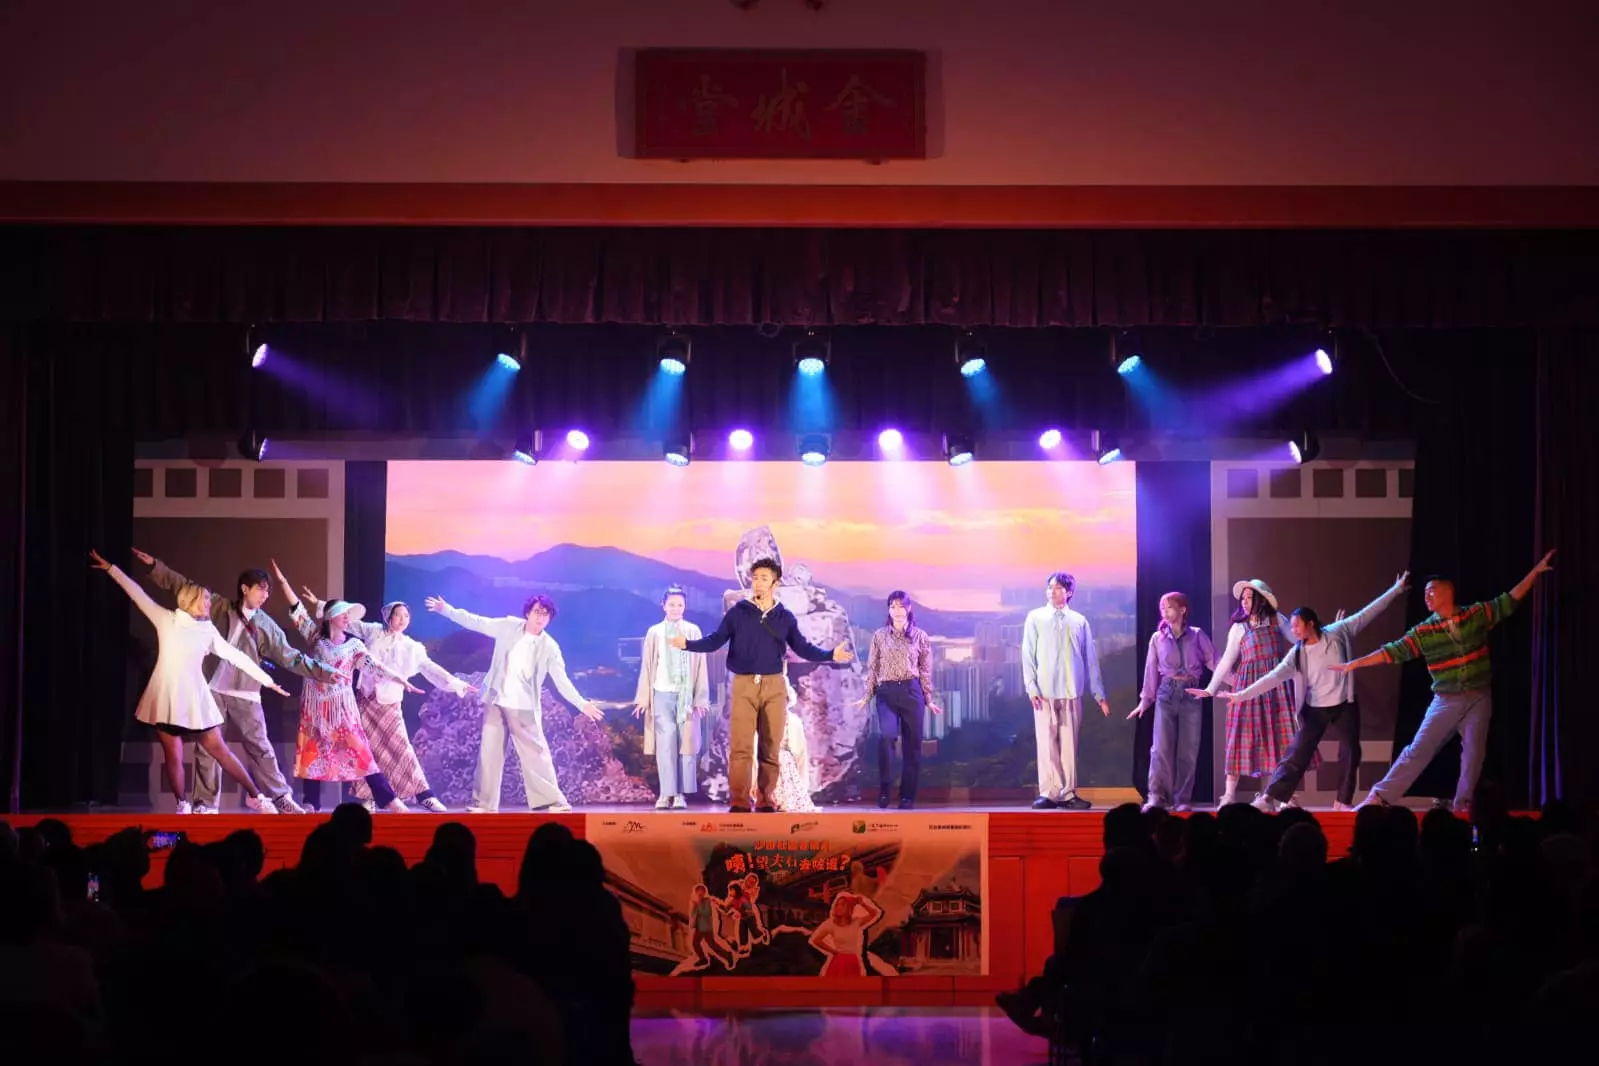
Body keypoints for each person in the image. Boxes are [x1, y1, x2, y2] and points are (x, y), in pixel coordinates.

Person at [1337, 551, 1555, 811]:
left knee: (1474, 755)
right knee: (1418, 749)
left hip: (1479, 696)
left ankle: (1463, 805)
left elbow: (1507, 601)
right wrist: (1355, 663)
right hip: (1446, 699)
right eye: (1425, 593)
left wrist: (1534, 573)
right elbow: (1392, 651)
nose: (1427, 596)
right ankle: (1379, 798)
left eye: (1431, 591)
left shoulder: (1475, 614)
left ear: (1448, 591)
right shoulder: (1424, 631)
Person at [131, 548, 342, 814]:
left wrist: (325, 671)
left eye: (268, 591)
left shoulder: (266, 625)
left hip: (246, 693)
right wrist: (155, 567)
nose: (265, 595)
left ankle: (280, 797)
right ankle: (205, 804)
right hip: (212, 690)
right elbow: (184, 586)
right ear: (245, 589)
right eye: (261, 589)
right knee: (207, 750)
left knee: (260, 747)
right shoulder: (220, 607)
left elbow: (291, 656)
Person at [91, 550, 289, 814]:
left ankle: (257, 797)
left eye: (208, 599)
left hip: (195, 699)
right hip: (166, 697)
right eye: (204, 599)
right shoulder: (166, 620)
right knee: (173, 756)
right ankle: (182, 805)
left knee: (220, 751)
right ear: (190, 600)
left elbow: (237, 657)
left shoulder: (208, 631)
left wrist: (267, 680)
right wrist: (111, 569)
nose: (208, 603)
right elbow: (136, 593)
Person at [673, 556, 852, 814]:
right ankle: (739, 800)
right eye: (755, 578)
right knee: (741, 747)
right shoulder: (738, 613)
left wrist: (830, 655)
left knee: (770, 747)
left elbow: (803, 647)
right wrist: (687, 645)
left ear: (775, 583)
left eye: (764, 578)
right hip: (744, 684)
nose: (757, 583)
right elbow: (715, 640)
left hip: (774, 686)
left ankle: (766, 799)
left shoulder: (784, 617)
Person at [1223, 573, 1409, 812]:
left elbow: (1368, 613)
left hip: (1344, 705)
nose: (1293, 631)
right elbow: (1271, 678)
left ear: (1311, 623)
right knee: (1296, 753)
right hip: (1316, 707)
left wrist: (1396, 589)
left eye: (1296, 625)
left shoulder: (1338, 631)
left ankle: (1342, 802)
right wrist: (1240, 695)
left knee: (1351, 752)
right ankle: (1268, 798)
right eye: (1291, 626)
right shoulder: (1297, 653)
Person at [296, 590, 478, 812]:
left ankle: (424, 794)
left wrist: (457, 683)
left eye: (406, 616)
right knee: (367, 753)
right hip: (365, 702)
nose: (402, 620)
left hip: (390, 704)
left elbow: (430, 668)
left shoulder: (412, 647)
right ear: (387, 616)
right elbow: (346, 620)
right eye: (397, 615)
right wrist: (320, 604)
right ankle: (368, 798)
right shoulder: (373, 632)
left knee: (402, 749)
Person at [424, 590, 604, 813]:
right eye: (537, 612)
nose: (541, 617)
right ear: (528, 613)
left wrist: (581, 704)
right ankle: (483, 804)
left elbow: (562, 681)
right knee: (489, 753)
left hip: (524, 705)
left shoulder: (550, 646)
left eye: (546, 614)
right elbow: (477, 622)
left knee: (535, 753)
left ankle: (552, 801)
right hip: (496, 700)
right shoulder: (509, 626)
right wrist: (447, 610)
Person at [270, 561, 419, 813]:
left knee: (361, 752)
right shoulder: (315, 638)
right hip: (316, 706)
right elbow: (297, 610)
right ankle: (311, 801)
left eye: (348, 615)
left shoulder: (354, 646)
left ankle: (388, 799)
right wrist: (283, 582)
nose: (347, 618)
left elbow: (375, 666)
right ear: (331, 617)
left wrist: (400, 679)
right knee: (313, 751)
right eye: (343, 614)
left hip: (343, 708)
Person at [1189, 579, 1297, 807]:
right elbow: (1227, 660)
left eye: (1250, 598)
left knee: (1280, 738)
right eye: (1243, 599)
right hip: (1247, 685)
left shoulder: (1277, 620)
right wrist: (1210, 688)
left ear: (1262, 600)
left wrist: (1326, 635)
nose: (1245, 602)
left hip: (1275, 685)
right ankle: (1229, 795)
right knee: (1239, 736)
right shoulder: (1239, 627)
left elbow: (1299, 641)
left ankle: (1281, 795)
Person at [1022, 572, 1110, 811]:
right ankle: (1049, 793)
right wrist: (1031, 687)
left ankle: (1069, 793)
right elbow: (1027, 654)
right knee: (1046, 744)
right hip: (1044, 691)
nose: (1052, 591)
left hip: (1071, 690)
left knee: (1069, 745)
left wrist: (1099, 694)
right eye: (1050, 587)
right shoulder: (1035, 617)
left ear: (1069, 592)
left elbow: (1090, 659)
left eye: (1058, 588)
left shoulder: (1079, 620)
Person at [1127, 592, 1217, 812]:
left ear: (1182, 610)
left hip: (1192, 693)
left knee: (1188, 750)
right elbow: (1151, 671)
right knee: (1161, 748)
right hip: (1166, 693)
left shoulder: (1197, 635)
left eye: (1169, 607)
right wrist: (1145, 700)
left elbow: (1215, 661)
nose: (1164, 612)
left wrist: (1237, 682)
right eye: (1162, 608)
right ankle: (1157, 796)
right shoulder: (1157, 638)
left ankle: (1182, 798)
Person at [852, 591, 942, 809]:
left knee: (912, 746)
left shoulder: (920, 636)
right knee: (887, 737)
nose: (897, 610)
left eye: (901, 606)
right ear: (888, 610)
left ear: (909, 609)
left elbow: (925, 670)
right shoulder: (879, 636)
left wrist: (928, 698)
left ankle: (907, 796)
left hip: (912, 692)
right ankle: (884, 790)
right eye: (893, 606)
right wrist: (867, 695)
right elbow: (873, 668)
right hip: (887, 693)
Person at [631, 586, 710, 810]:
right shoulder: (655, 632)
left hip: (686, 696)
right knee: (665, 745)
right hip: (662, 693)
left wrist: (701, 698)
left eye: (680, 605)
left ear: (685, 607)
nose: (676, 608)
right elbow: (647, 666)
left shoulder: (693, 631)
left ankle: (681, 795)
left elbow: (701, 665)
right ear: (663, 606)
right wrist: (643, 699)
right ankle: (666, 793)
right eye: (672, 604)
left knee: (686, 746)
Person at [807, 891, 884, 977]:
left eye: (842, 905)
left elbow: (875, 913)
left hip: (852, 960)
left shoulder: (856, 922)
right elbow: (816, 940)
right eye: (837, 905)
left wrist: (862, 903)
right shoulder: (831, 923)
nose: (838, 907)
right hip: (839, 960)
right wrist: (833, 951)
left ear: (849, 908)